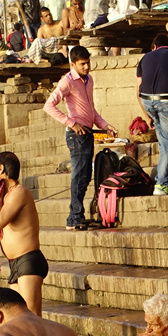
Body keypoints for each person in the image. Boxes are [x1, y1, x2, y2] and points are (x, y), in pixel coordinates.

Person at [46, 46, 114, 230]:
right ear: (73, 64)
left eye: (88, 62)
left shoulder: (88, 80)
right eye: (82, 64)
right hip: (76, 135)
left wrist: (105, 126)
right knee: (78, 175)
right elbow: (49, 105)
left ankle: (77, 215)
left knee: (85, 176)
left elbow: (91, 110)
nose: (86, 67)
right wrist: (70, 123)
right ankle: (73, 218)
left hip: (88, 132)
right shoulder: (66, 82)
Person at [0, 151, 46, 317]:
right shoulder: (8, 194)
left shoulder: (19, 192)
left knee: (32, 315)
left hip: (28, 260)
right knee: (18, 316)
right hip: (15, 263)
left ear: (1, 168)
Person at [135, 33, 168, 196]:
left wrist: (147, 115)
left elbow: (138, 91)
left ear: (155, 47)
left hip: (147, 101)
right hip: (167, 101)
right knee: (167, 144)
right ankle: (162, 184)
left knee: (165, 139)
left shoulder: (144, 59)